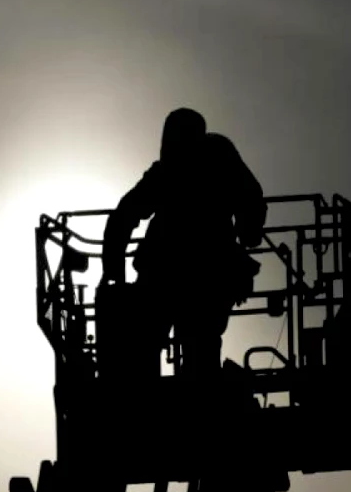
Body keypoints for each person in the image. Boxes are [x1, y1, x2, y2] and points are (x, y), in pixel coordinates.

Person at [98, 108, 266, 377]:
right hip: (196, 273)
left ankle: (165, 397)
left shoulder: (203, 159)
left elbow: (124, 215)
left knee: (174, 346)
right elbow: (124, 215)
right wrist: (249, 232)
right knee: (190, 348)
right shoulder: (174, 170)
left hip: (188, 272)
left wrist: (114, 271)